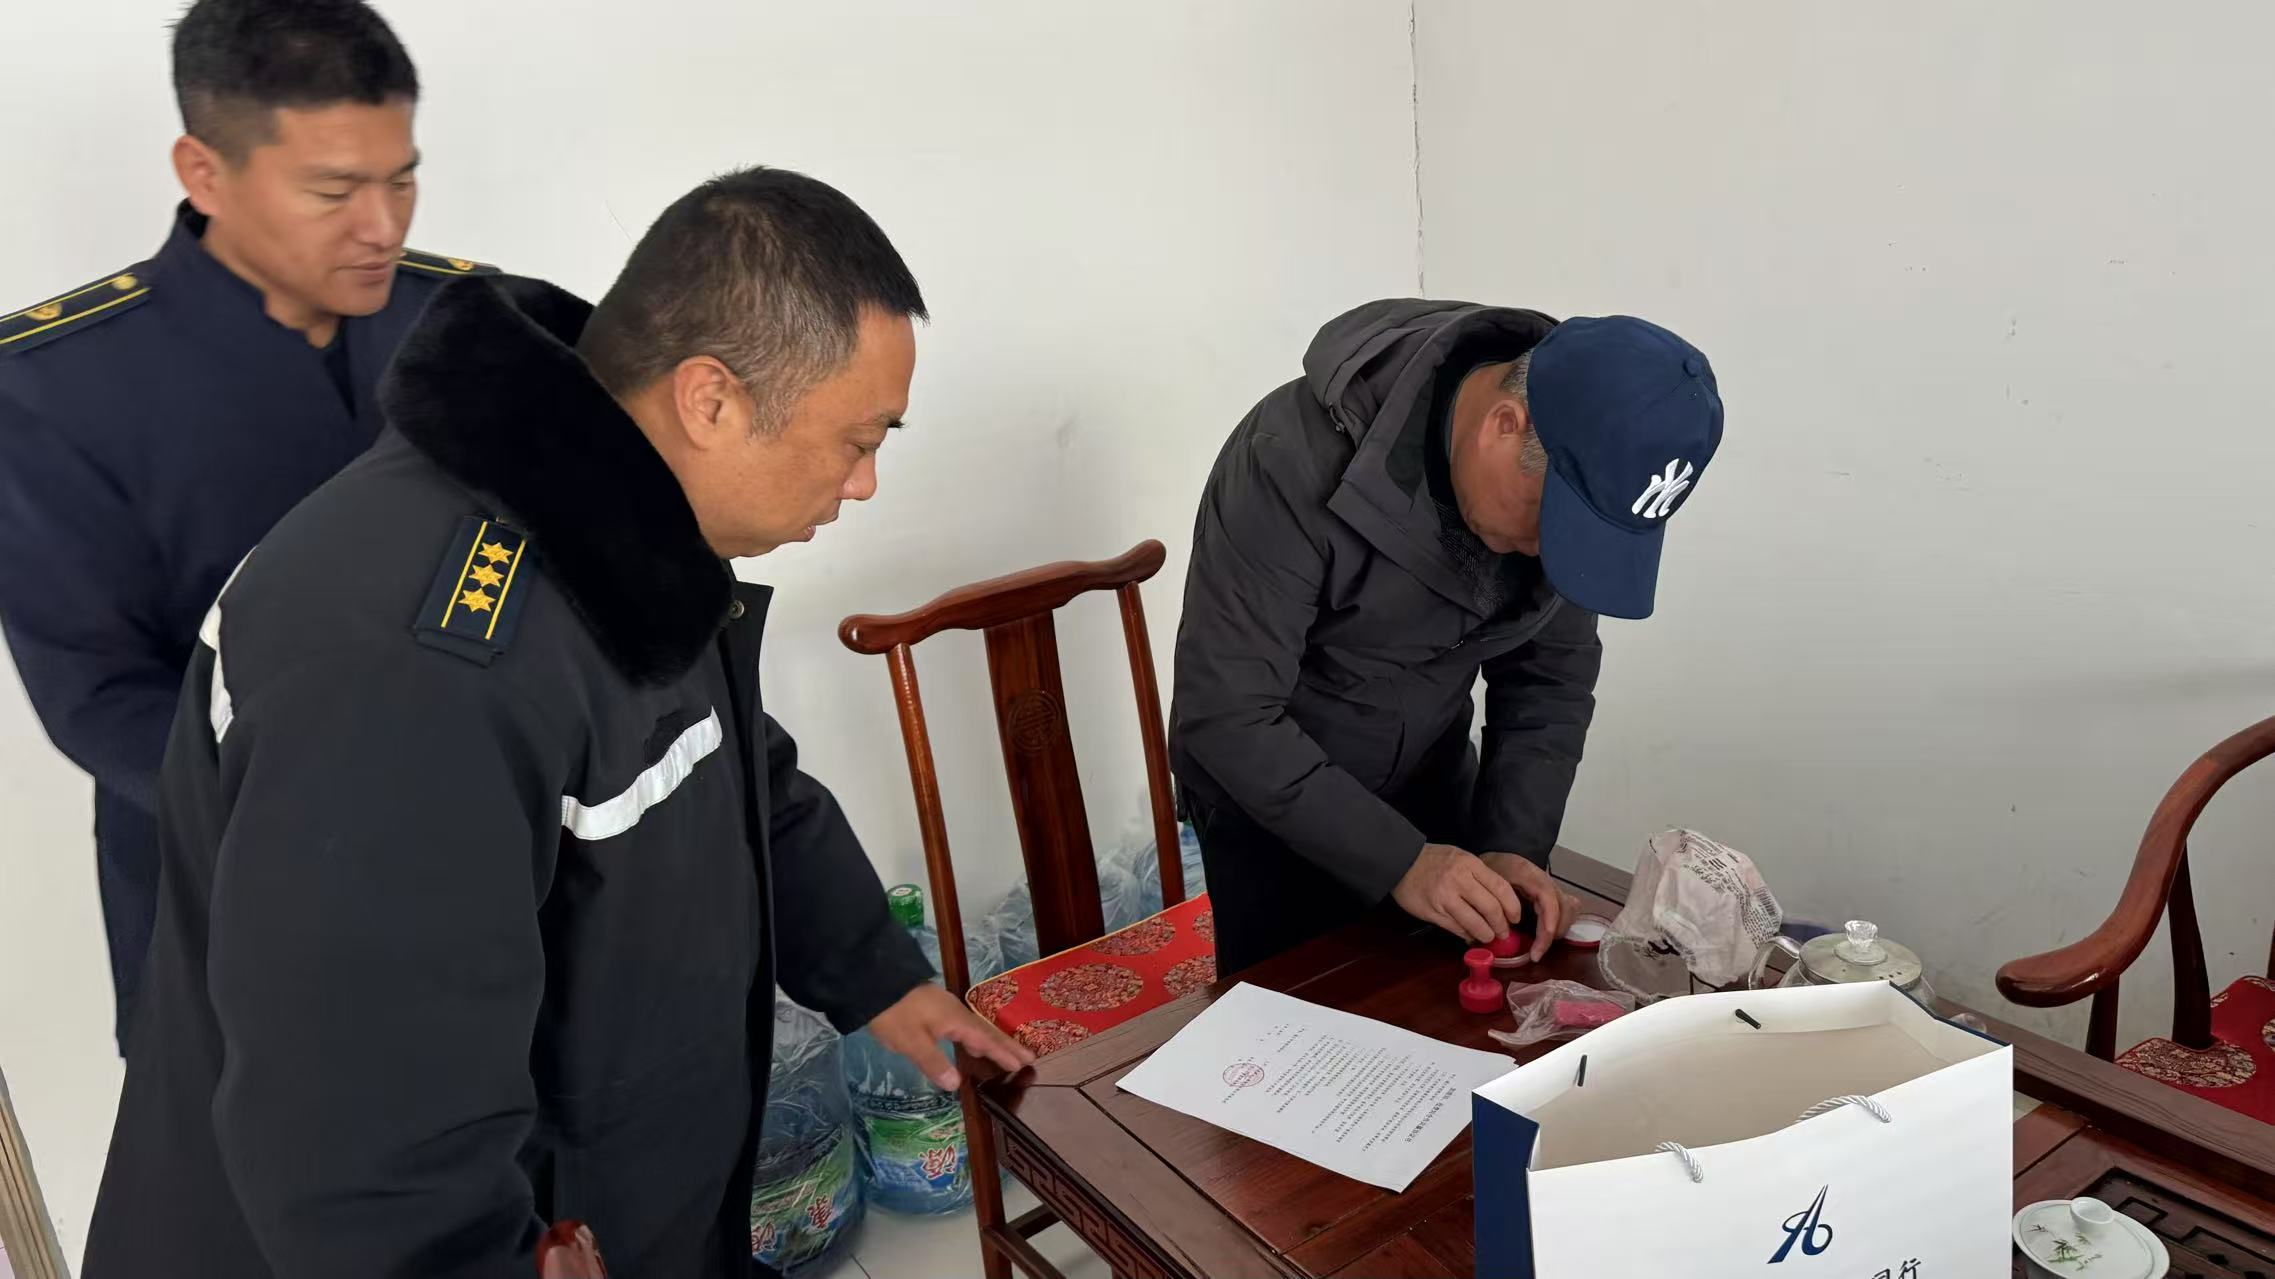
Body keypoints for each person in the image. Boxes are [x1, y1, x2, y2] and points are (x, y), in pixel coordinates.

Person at [81, 166, 1035, 1279]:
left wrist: (877, 975)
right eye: (857, 440)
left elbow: (734, 776)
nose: (864, 483)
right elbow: (365, 1145)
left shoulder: (620, 538)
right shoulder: (419, 669)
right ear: (711, 400)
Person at [0, 0, 490, 1037]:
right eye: (333, 191)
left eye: (401, 179)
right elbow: (98, 697)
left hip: (503, 870)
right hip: (235, 912)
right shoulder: (50, 389)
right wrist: (339, 812)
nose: (383, 226)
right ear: (205, 172)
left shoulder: (475, 324)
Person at [1170, 300, 1723, 973]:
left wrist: (1512, 844)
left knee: (1444, 1011)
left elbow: (1550, 681)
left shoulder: (1572, 462)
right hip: (1274, 812)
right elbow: (1227, 714)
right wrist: (1398, 860)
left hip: (1431, 792)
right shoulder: (1288, 459)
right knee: (1287, 1020)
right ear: (1503, 425)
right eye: (1552, 524)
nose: (1549, 553)